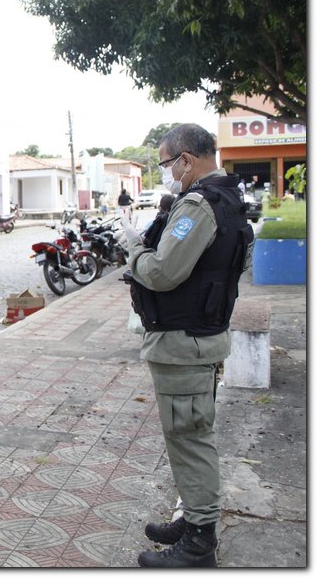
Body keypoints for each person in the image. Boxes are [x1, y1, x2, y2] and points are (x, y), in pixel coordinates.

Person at [122, 124, 253, 568]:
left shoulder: (199, 205)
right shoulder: (231, 200)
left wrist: (134, 251)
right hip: (198, 338)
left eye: (164, 163)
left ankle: (199, 543)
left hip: (185, 342)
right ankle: (195, 519)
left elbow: (161, 271)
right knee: (186, 437)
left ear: (186, 159)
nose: (165, 173)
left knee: (190, 438)